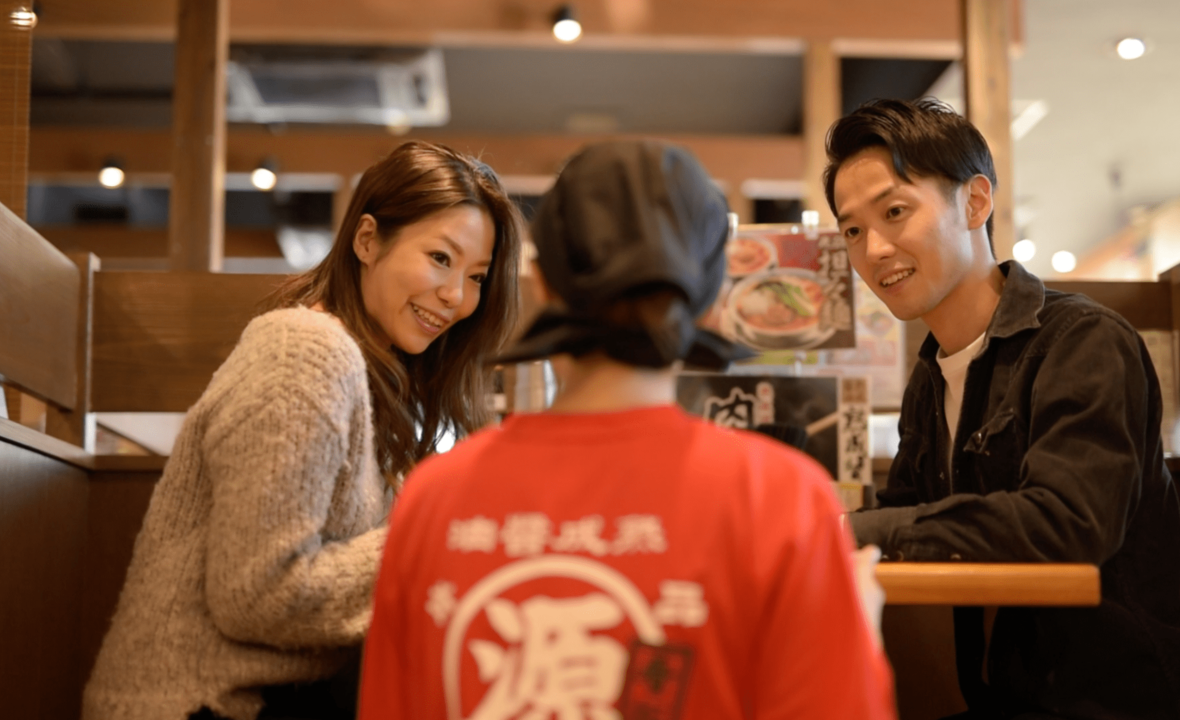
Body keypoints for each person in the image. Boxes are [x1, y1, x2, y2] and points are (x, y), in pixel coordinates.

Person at [358, 140, 897, 720]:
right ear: (715, 298)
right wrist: (856, 633)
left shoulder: (433, 499)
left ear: (542, 284)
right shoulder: (781, 499)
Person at [825, 98, 1180, 720]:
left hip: (1142, 697)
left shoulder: (1082, 341)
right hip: (1016, 695)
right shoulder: (932, 372)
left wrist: (851, 533)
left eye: (894, 212)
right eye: (853, 231)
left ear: (975, 202)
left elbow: (1067, 526)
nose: (874, 250)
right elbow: (909, 511)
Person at [83, 140, 523, 720]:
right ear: (367, 241)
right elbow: (257, 594)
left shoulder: (372, 376)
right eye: (441, 258)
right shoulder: (304, 350)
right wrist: (434, 535)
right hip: (195, 705)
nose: (456, 297)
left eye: (477, 277)